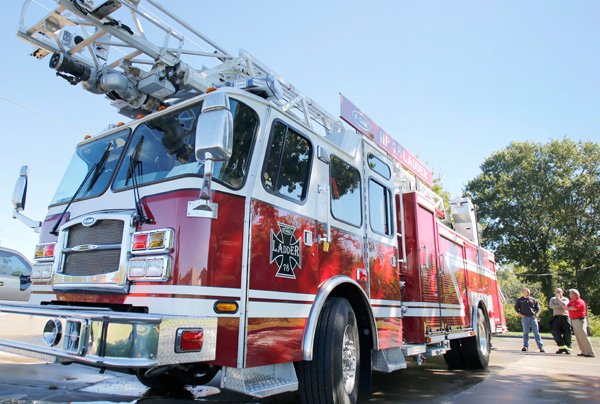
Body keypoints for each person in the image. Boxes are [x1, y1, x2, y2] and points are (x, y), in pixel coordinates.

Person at [559, 289, 596, 358]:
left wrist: (566, 307)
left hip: (579, 320)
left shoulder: (579, 301)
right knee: (578, 337)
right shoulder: (572, 301)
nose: (569, 295)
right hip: (574, 320)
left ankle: (591, 352)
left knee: (583, 336)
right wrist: (560, 300)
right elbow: (565, 306)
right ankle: (584, 351)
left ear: (575, 294)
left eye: (570, 294)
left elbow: (573, 308)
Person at [514, 288, 545, 352]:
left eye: (529, 292)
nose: (528, 293)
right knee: (526, 333)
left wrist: (536, 315)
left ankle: (541, 347)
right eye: (527, 292)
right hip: (525, 318)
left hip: (532, 317)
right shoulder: (520, 300)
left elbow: (538, 308)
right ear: (523, 292)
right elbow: (516, 308)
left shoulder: (533, 300)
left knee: (536, 333)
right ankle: (525, 346)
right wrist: (520, 314)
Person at [548, 288, 572, 354]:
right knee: (555, 332)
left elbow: (564, 306)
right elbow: (551, 306)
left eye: (559, 292)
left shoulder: (566, 299)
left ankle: (568, 348)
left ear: (562, 292)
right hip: (556, 317)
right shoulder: (552, 299)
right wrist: (560, 305)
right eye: (556, 292)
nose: (557, 293)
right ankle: (562, 346)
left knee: (567, 333)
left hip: (564, 317)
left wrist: (558, 300)